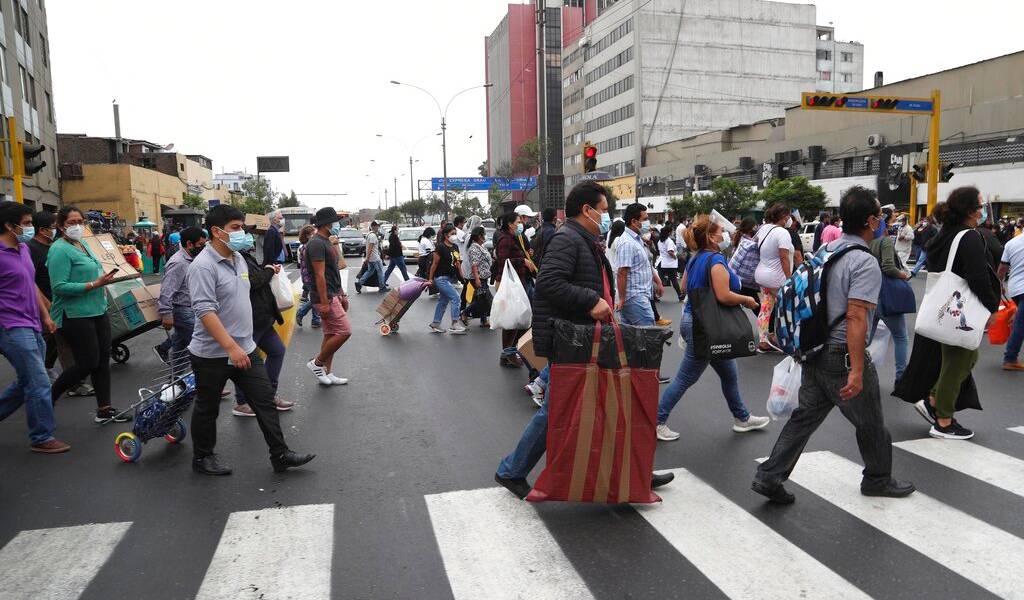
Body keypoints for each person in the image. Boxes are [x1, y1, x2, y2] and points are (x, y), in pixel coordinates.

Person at [494, 181, 674, 499]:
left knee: (611, 405)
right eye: (603, 211)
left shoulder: (585, 239)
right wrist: (591, 300)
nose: (606, 217)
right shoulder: (568, 239)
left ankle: (635, 473)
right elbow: (550, 283)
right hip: (573, 338)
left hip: (588, 335)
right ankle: (511, 470)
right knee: (560, 411)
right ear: (587, 210)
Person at [753, 186, 915, 504]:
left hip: (813, 348)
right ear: (871, 221)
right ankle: (878, 479)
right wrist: (856, 369)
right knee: (871, 421)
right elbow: (856, 318)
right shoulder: (863, 262)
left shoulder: (829, 249)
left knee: (805, 417)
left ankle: (769, 476)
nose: (883, 220)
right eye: (880, 215)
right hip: (841, 354)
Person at [187, 204, 314, 476]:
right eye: (235, 228)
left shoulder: (239, 259)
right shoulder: (203, 267)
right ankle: (202, 457)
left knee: (264, 400)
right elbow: (205, 311)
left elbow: (250, 291)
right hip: (212, 354)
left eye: (242, 227)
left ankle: (280, 454)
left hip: (246, 347)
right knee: (207, 408)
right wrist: (230, 347)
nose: (241, 232)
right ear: (216, 231)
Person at [656, 215, 768, 441]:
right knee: (685, 378)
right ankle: (657, 421)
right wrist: (746, 300)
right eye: (720, 231)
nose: (725, 234)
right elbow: (724, 295)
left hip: (696, 320)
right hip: (706, 326)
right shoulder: (715, 260)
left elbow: (685, 286)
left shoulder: (696, 258)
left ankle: (742, 418)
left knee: (729, 374)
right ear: (710, 237)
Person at [910, 187, 1000, 440]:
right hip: (961, 308)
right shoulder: (968, 237)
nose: (983, 211)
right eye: (980, 206)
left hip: (944, 307)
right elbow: (977, 275)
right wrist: (992, 307)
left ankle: (934, 400)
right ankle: (943, 420)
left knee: (964, 358)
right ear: (970, 211)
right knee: (959, 360)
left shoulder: (945, 235)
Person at [47, 206, 128, 423]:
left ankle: (104, 409)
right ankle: (49, 397)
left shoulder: (81, 244)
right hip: (73, 314)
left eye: (80, 221)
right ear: (61, 225)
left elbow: (92, 270)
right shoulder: (59, 250)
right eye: (72, 222)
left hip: (97, 310)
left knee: (102, 361)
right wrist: (94, 284)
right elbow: (59, 286)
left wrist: (104, 280)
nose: (77, 226)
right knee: (88, 363)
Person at [0, 201, 68, 453]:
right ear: (10, 225)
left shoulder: (23, 250)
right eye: (27, 223)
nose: (31, 228)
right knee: (39, 381)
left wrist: (45, 315)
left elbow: (31, 285)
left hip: (32, 324)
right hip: (11, 327)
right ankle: (41, 436)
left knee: (25, 382)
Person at [232, 232, 295, 416]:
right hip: (250, 319)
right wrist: (267, 270)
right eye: (236, 228)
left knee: (277, 351)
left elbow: (257, 276)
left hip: (263, 318)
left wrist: (267, 269)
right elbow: (251, 283)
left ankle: (268, 395)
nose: (246, 236)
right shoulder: (234, 260)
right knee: (245, 361)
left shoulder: (243, 256)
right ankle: (242, 402)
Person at [28, 211, 87, 395]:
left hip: (59, 303)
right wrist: (46, 305)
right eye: (54, 227)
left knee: (56, 341)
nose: (57, 230)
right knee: (62, 343)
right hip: (46, 305)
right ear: (43, 230)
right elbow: (31, 282)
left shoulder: (54, 246)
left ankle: (46, 369)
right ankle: (71, 384)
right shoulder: (31, 249)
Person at [616, 203, 669, 383]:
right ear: (634, 221)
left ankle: (634, 373)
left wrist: (658, 281)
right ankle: (650, 374)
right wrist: (622, 298)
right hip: (634, 297)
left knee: (631, 338)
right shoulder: (626, 242)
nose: (648, 222)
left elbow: (646, 264)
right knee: (649, 337)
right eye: (645, 219)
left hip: (641, 294)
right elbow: (622, 272)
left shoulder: (638, 239)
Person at [305, 207, 352, 386]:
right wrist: (324, 302)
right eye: (334, 222)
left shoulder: (326, 241)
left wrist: (341, 293)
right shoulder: (316, 243)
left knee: (331, 333)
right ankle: (317, 363)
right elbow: (319, 275)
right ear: (326, 224)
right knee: (344, 331)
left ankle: (327, 371)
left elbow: (333, 273)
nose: (337, 224)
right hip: (326, 297)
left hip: (333, 294)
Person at [154, 227, 209, 378]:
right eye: (201, 245)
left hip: (190, 308)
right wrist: (166, 314)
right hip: (182, 310)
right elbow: (167, 290)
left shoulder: (192, 259)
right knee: (203, 345)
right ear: (189, 244)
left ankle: (174, 381)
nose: (203, 248)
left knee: (180, 349)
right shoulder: (178, 262)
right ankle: (207, 382)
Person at [869, 221, 912, 382]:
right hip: (886, 296)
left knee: (866, 338)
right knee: (900, 336)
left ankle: (851, 370)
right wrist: (903, 275)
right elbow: (888, 267)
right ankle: (900, 378)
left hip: (869, 295)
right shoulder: (884, 241)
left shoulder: (867, 242)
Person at [494, 212, 534, 366]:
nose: (520, 224)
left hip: (519, 281)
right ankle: (508, 353)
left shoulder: (514, 237)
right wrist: (521, 260)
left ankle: (510, 351)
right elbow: (502, 262)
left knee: (519, 319)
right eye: (518, 221)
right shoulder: (505, 239)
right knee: (512, 320)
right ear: (510, 224)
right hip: (512, 284)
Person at [753, 203, 794, 351]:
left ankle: (764, 340)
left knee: (766, 308)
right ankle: (783, 339)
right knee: (787, 308)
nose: (790, 219)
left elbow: (755, 244)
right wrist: (790, 279)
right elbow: (784, 257)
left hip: (762, 275)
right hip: (777, 279)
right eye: (788, 216)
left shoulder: (763, 228)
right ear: (783, 217)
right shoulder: (783, 233)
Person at [427, 222, 467, 335]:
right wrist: (430, 279)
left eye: (455, 233)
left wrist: (462, 278)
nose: (454, 235)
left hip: (450, 278)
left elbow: (458, 263)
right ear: (446, 235)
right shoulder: (440, 247)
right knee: (456, 298)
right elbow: (434, 264)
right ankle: (455, 323)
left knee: (443, 301)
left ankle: (435, 323)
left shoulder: (455, 247)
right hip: (440, 278)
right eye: (452, 233)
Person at [999, 226, 1024, 371]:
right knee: (1020, 325)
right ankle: (1010, 358)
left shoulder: (1011, 243)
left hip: (1015, 288)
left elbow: (1002, 268)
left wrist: (999, 284)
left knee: (1021, 321)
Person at [462, 226, 492, 328]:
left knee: (481, 298)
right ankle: (465, 313)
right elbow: (474, 264)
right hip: (478, 277)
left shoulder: (481, 246)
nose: (485, 236)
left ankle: (483, 321)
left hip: (483, 276)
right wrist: (477, 279)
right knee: (483, 299)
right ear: (479, 236)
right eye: (483, 234)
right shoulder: (474, 248)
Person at [295, 225, 322, 329]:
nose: (315, 236)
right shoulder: (307, 247)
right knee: (316, 298)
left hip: (309, 276)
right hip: (310, 277)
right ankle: (301, 312)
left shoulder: (307, 246)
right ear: (307, 235)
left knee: (315, 297)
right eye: (313, 234)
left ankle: (315, 320)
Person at [729, 217, 760, 304]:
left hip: (737, 278)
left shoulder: (740, 238)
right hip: (744, 281)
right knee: (757, 306)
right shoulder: (748, 243)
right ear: (752, 228)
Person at [356, 221, 388, 293]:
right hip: (375, 258)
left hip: (371, 258)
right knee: (380, 271)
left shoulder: (369, 234)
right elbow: (370, 248)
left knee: (370, 271)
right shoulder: (373, 236)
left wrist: (368, 258)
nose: (378, 227)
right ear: (373, 226)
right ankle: (382, 287)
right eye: (377, 226)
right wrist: (367, 258)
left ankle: (359, 283)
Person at [656, 223, 683, 301]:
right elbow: (670, 252)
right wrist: (675, 257)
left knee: (659, 281)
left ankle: (655, 296)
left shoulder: (660, 241)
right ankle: (680, 295)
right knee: (674, 280)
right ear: (669, 232)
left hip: (661, 263)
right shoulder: (669, 241)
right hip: (669, 264)